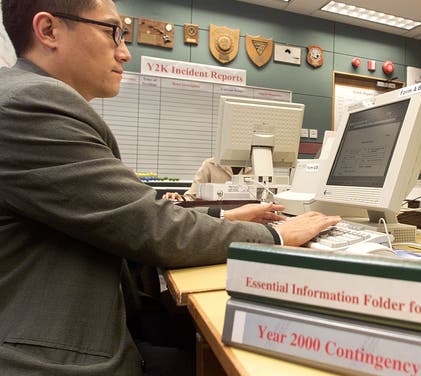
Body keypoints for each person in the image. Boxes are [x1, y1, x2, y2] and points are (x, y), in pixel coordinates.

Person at [0, 1, 340, 375]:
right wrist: (275, 236)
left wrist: (223, 215)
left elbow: (125, 206)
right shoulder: (31, 103)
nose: (124, 51)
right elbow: (147, 224)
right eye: (111, 31)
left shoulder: (28, 97)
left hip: (97, 321)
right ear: (48, 30)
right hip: (52, 353)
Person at [162, 157, 249, 201]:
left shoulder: (258, 165)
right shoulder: (210, 165)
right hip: (218, 222)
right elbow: (192, 197)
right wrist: (179, 198)